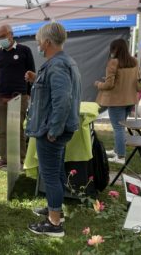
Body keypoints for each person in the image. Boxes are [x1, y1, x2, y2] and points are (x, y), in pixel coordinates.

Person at [25, 22, 81, 237]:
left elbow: (63, 100)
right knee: (56, 171)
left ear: (47, 42)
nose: (38, 45)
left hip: (52, 129)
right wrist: (35, 79)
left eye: (39, 41)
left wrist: (53, 130)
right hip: (55, 128)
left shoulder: (57, 65)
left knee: (49, 174)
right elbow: (55, 92)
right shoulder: (63, 62)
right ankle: (54, 209)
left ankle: (54, 224)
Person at [0, 24, 35, 169]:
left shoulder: (24, 51)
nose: (1, 39)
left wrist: (28, 94)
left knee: (17, 130)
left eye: (3, 36)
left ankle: (20, 159)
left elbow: (31, 73)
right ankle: (4, 158)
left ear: (11, 35)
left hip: (18, 96)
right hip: (1, 97)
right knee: (3, 130)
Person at [94, 39, 138, 164]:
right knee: (121, 127)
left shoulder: (113, 63)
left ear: (115, 49)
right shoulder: (134, 61)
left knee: (118, 128)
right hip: (130, 100)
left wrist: (98, 84)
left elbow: (109, 85)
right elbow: (133, 79)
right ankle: (117, 150)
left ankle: (121, 157)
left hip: (116, 101)